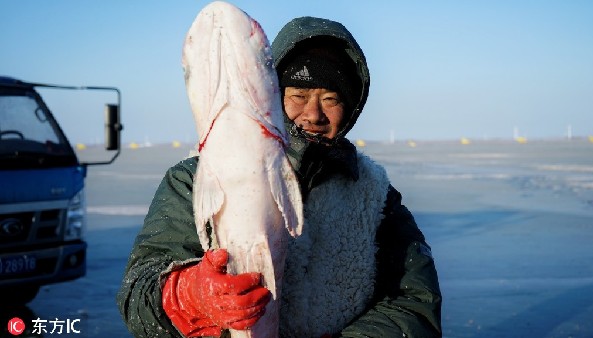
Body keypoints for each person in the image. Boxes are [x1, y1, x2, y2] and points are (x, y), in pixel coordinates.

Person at [117, 16, 442, 338]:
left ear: (351, 106)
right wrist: (189, 295)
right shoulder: (196, 179)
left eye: (331, 99)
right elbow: (137, 294)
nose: (313, 114)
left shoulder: (374, 193)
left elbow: (414, 301)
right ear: (270, 93)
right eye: (299, 95)